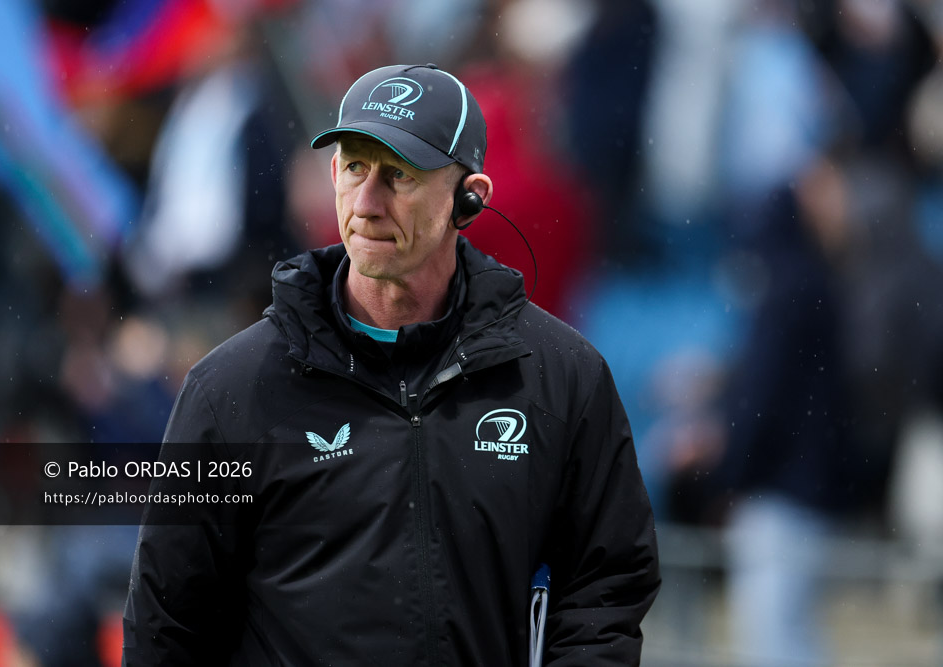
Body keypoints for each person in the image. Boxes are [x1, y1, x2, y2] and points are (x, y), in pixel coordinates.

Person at [122, 63, 660, 666]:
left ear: (469, 199)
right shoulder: (231, 388)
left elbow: (605, 590)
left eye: (399, 175)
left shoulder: (563, 377)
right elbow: (168, 621)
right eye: (355, 167)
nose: (368, 203)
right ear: (332, 173)